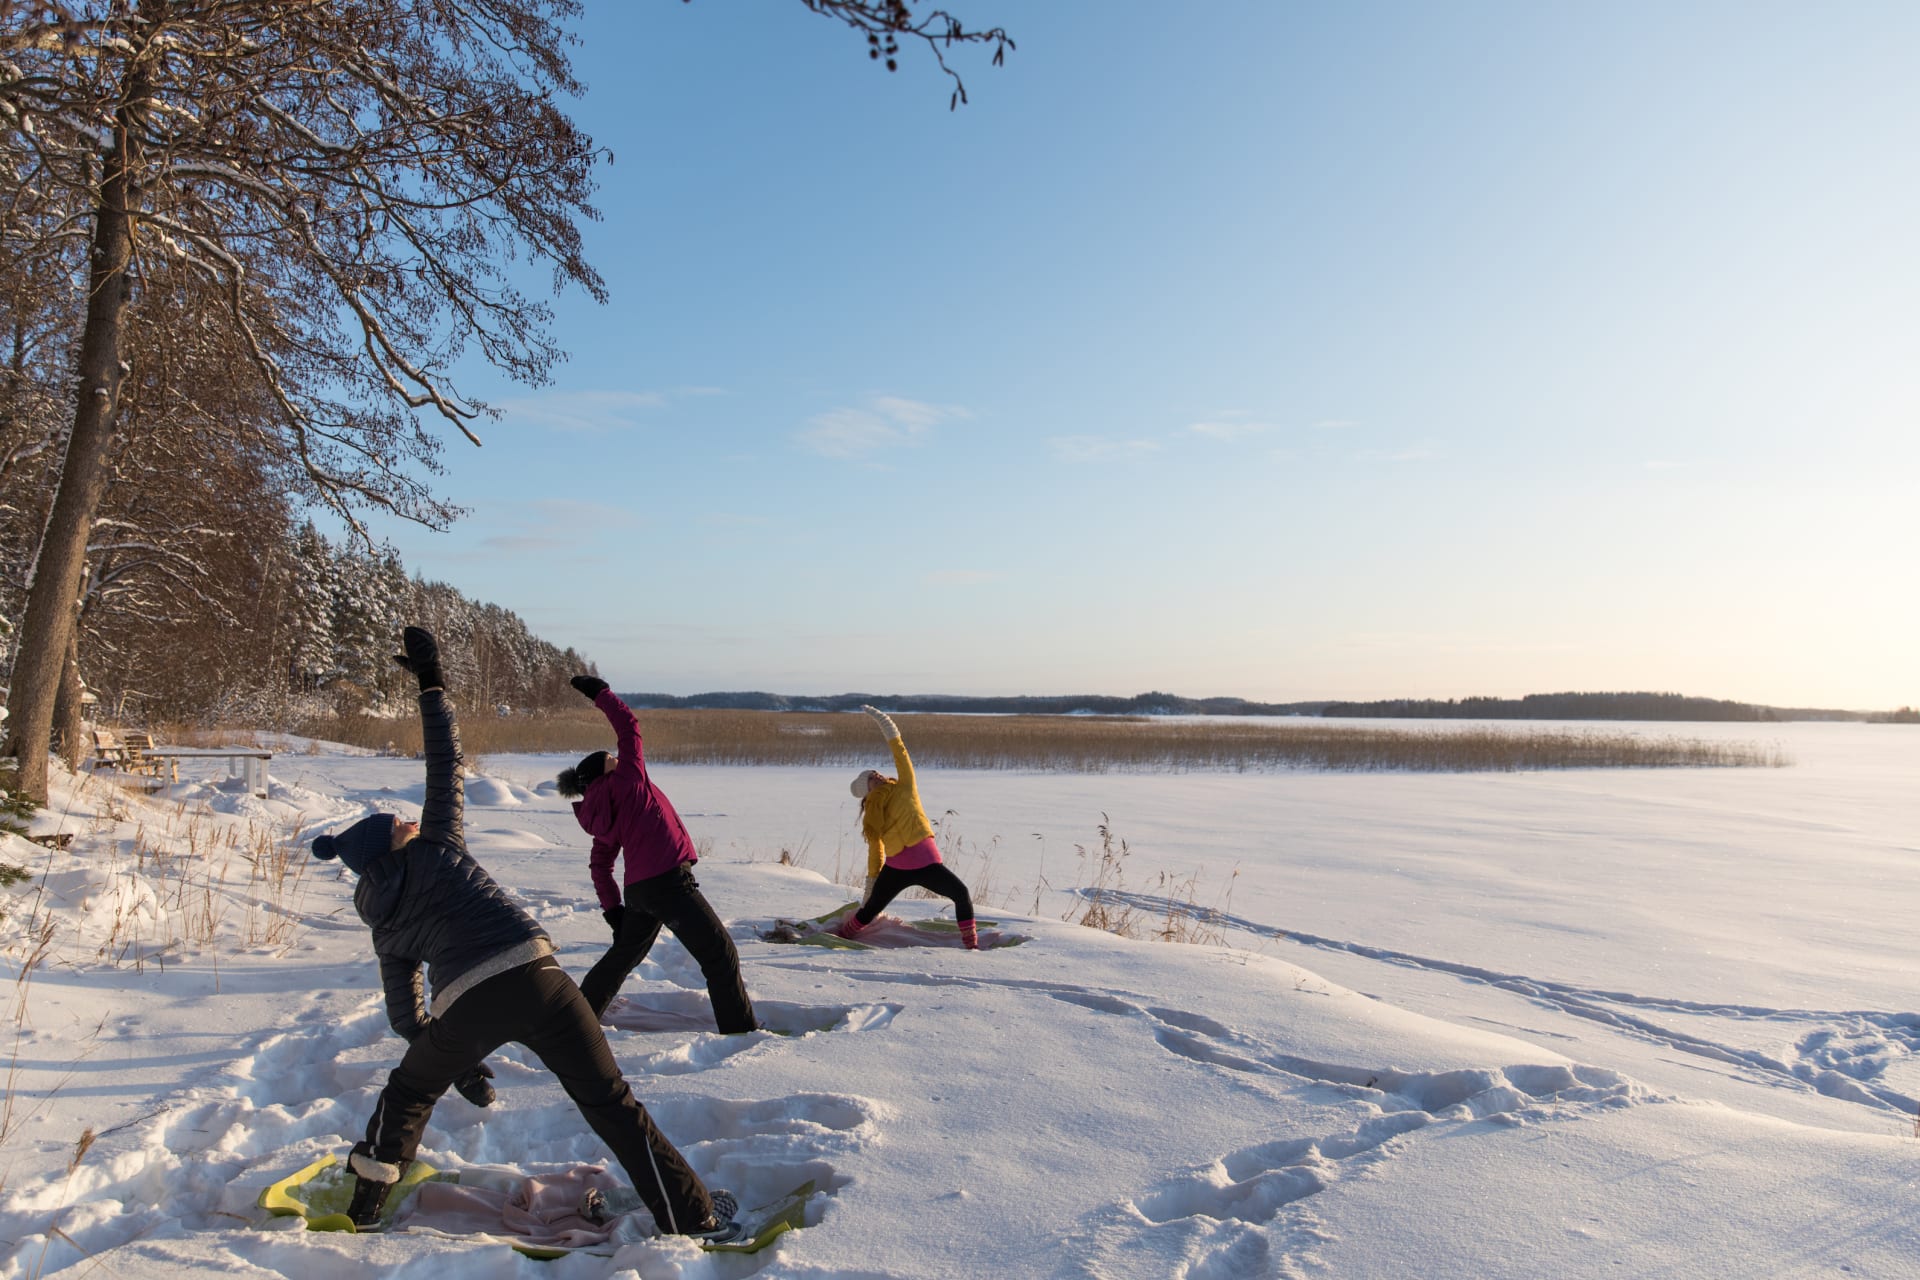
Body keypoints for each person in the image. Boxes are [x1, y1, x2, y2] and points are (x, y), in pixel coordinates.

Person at [311, 627, 739, 1241]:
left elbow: (407, 1018)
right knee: (611, 1104)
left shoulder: (385, 928)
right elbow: (445, 761)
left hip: (468, 1006)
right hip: (541, 977)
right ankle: (691, 1216)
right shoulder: (438, 843)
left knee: (407, 1092)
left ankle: (367, 1205)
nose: (408, 820)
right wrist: (431, 682)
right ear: (389, 845)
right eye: (398, 823)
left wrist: (453, 1063)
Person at [556, 675, 758, 1033]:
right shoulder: (629, 779)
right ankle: (740, 1032)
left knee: (621, 959)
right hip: (668, 882)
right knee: (719, 954)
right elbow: (628, 727)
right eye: (611, 758)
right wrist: (601, 694)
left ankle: (575, 1021)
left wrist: (614, 912)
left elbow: (600, 866)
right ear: (605, 771)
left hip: (640, 893)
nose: (618, 757)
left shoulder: (600, 811)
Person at [838, 704, 979, 950]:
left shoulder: (905, 786)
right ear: (866, 791)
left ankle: (971, 944)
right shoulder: (873, 814)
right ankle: (841, 935)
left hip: (926, 863)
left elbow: (900, 752)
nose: (876, 775)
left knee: (961, 893)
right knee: (869, 910)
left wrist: (884, 723)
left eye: (875, 772)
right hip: (896, 868)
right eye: (870, 778)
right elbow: (875, 850)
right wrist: (871, 886)